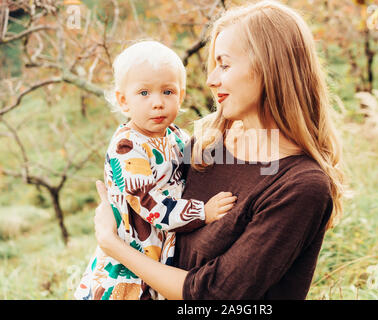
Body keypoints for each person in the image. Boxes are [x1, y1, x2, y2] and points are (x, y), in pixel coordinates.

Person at [92, 0, 345, 300]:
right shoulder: (208, 144)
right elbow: (152, 208)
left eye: (224, 65)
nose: (212, 80)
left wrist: (112, 245)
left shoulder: (300, 186)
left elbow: (212, 295)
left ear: (269, 66)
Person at [74, 41, 236, 300]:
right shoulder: (127, 147)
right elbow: (151, 206)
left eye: (168, 92)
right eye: (144, 93)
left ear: (180, 96)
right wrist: (202, 212)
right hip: (127, 269)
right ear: (123, 101)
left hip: (158, 262)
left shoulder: (176, 137)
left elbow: (198, 164)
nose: (158, 103)